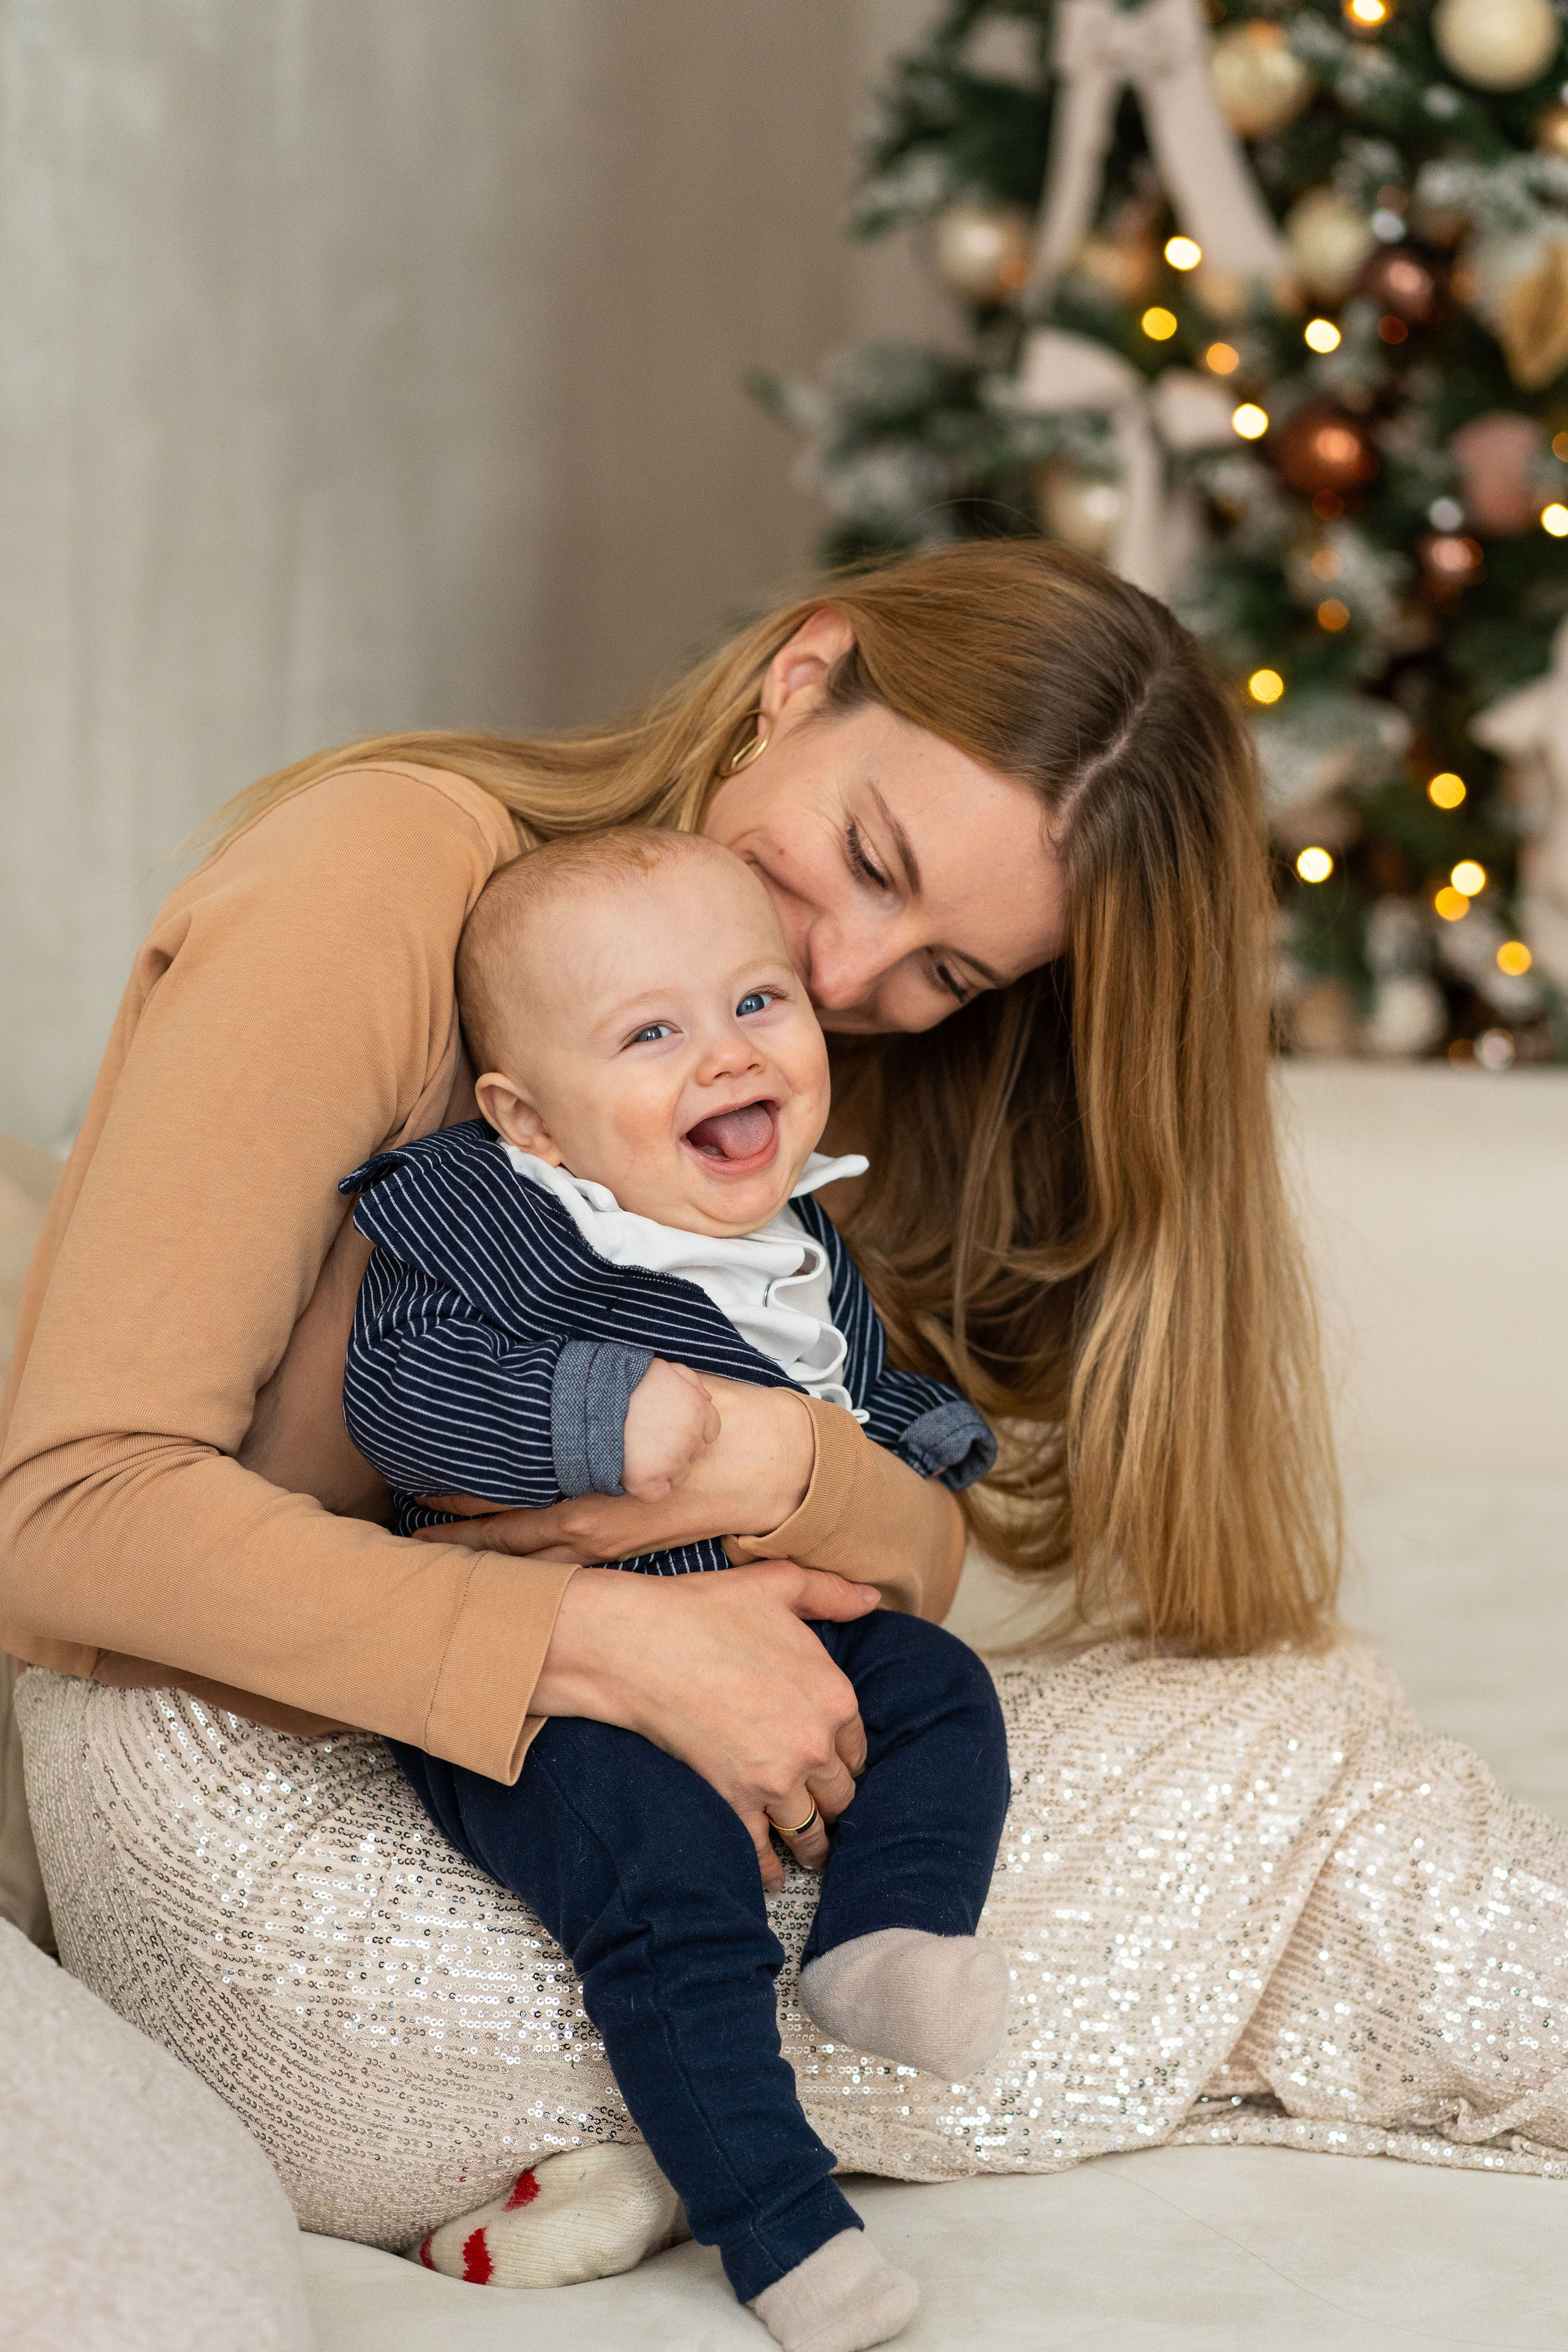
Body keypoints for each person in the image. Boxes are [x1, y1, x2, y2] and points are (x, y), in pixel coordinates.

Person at [5, 545, 1565, 2292]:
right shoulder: (387, 874)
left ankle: (622, 2161)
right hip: (256, 1827)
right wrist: (601, 1643)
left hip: (530, 1786)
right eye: (872, 860)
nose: (843, 971)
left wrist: (761, 1460)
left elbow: (909, 1550)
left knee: (1185, 1789)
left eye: (950, 973)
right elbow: (62, 1511)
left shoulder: (759, 1042)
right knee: (1296, 1786)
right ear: (803, 675)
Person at [340, 828, 1011, 2344]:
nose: (725, 1055)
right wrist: (593, 1414)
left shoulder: (788, 1236)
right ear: (530, 1116)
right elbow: (403, 1392)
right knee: (664, 1891)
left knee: (945, 1695)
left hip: (767, 1617)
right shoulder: (491, 1214)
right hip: (550, 1686)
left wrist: (921, 1430)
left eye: (756, 1003)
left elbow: (840, 1378)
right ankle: (779, 2231)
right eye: (652, 1032)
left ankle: (883, 1941)